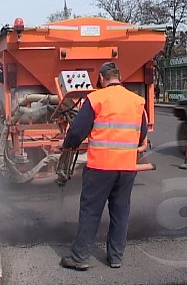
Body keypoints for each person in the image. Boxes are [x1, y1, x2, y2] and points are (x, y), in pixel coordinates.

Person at [59, 62, 148, 271]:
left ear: (101, 79)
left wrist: (68, 145)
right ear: (119, 76)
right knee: (120, 211)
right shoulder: (137, 101)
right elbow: (141, 134)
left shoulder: (96, 98)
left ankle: (80, 257)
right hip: (126, 168)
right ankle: (116, 257)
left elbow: (77, 131)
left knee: (91, 211)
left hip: (100, 167)